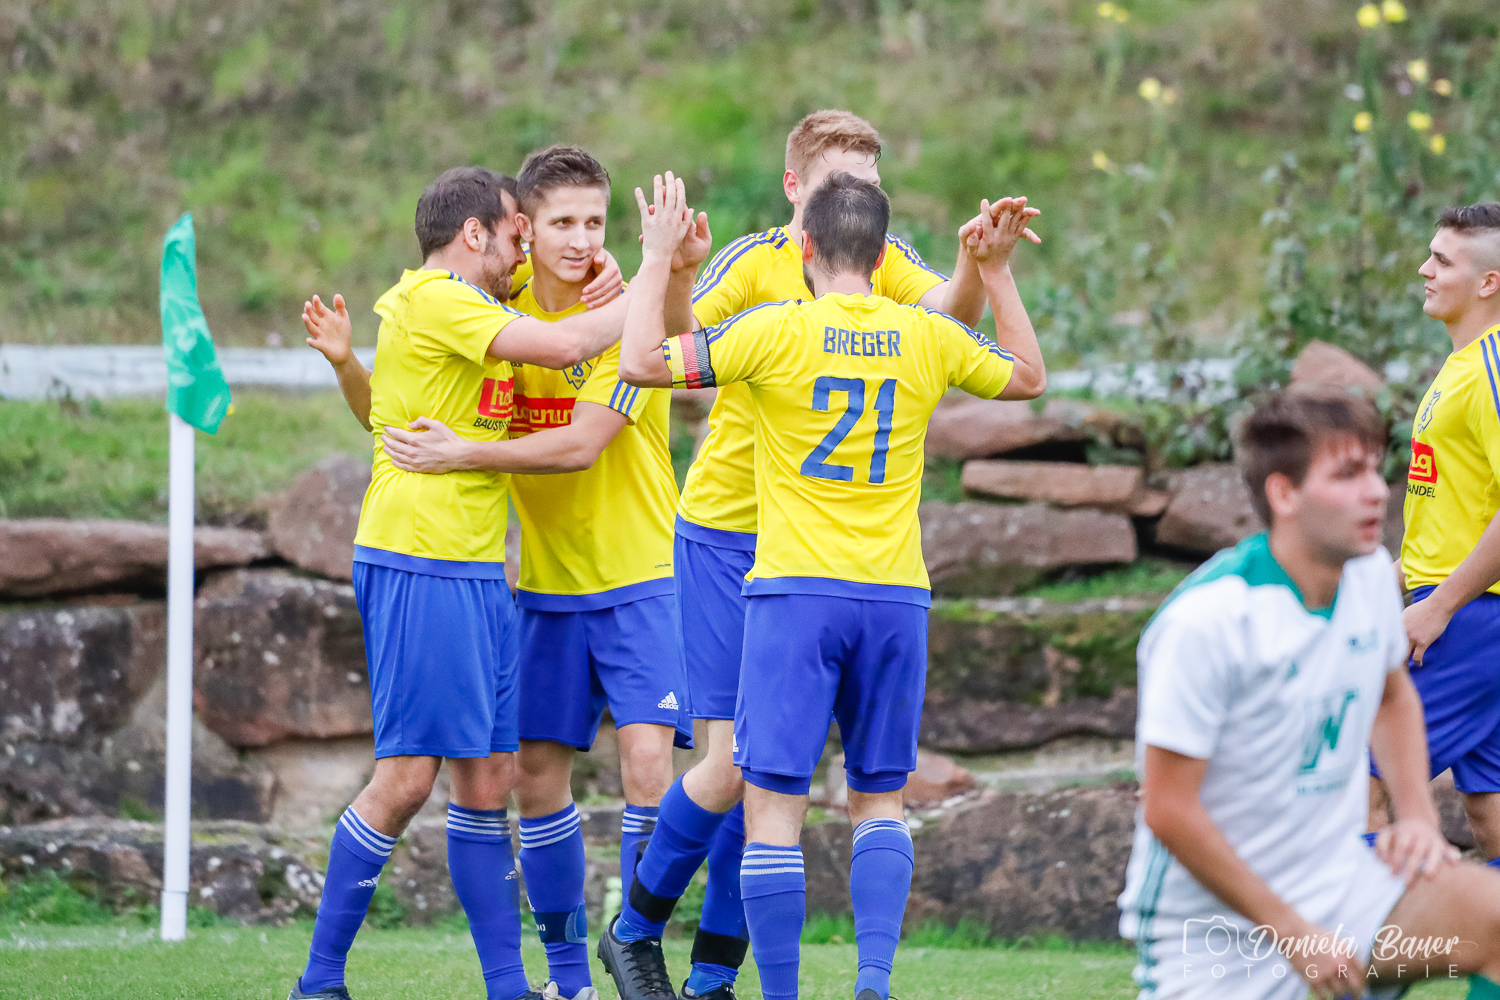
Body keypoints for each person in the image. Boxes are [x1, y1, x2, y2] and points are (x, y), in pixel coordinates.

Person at [600, 109, 1037, 1000]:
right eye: (843, 184)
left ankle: (713, 977)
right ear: (795, 189)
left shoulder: (879, 261)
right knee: (737, 766)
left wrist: (970, 266)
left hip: (804, 560)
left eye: (870, 187)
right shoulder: (750, 263)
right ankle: (634, 929)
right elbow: (680, 339)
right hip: (732, 536)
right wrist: (672, 270)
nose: (857, 197)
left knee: (766, 774)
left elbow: (941, 320)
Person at [304, 148, 691, 1000]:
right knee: (411, 778)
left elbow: (397, 416)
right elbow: (555, 349)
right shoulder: (450, 300)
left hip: (499, 571)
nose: (560, 244)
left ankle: (542, 983)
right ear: (488, 233)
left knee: (490, 780)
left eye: (594, 223)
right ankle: (320, 982)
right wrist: (651, 273)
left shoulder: (497, 310)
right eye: (539, 229)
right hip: (426, 557)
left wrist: (349, 367)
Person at [1118, 390, 1500, 1000]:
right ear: (1283, 494)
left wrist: (1419, 818)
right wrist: (1292, 931)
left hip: (1345, 890)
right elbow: (1167, 809)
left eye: (1374, 469)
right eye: (1347, 475)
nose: (1375, 491)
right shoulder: (1207, 621)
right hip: (1218, 937)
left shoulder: (1369, 575)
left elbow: (1392, 696)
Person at [1373, 202, 1500, 864]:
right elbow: (1452, 507)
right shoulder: (1462, 366)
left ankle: (1358, 935)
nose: (1424, 269)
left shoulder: (1493, 369)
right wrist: (1385, 580)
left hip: (1470, 618)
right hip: (1461, 609)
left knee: (1358, 782)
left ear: (1488, 282)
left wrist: (1439, 606)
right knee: (1490, 811)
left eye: (1442, 261)